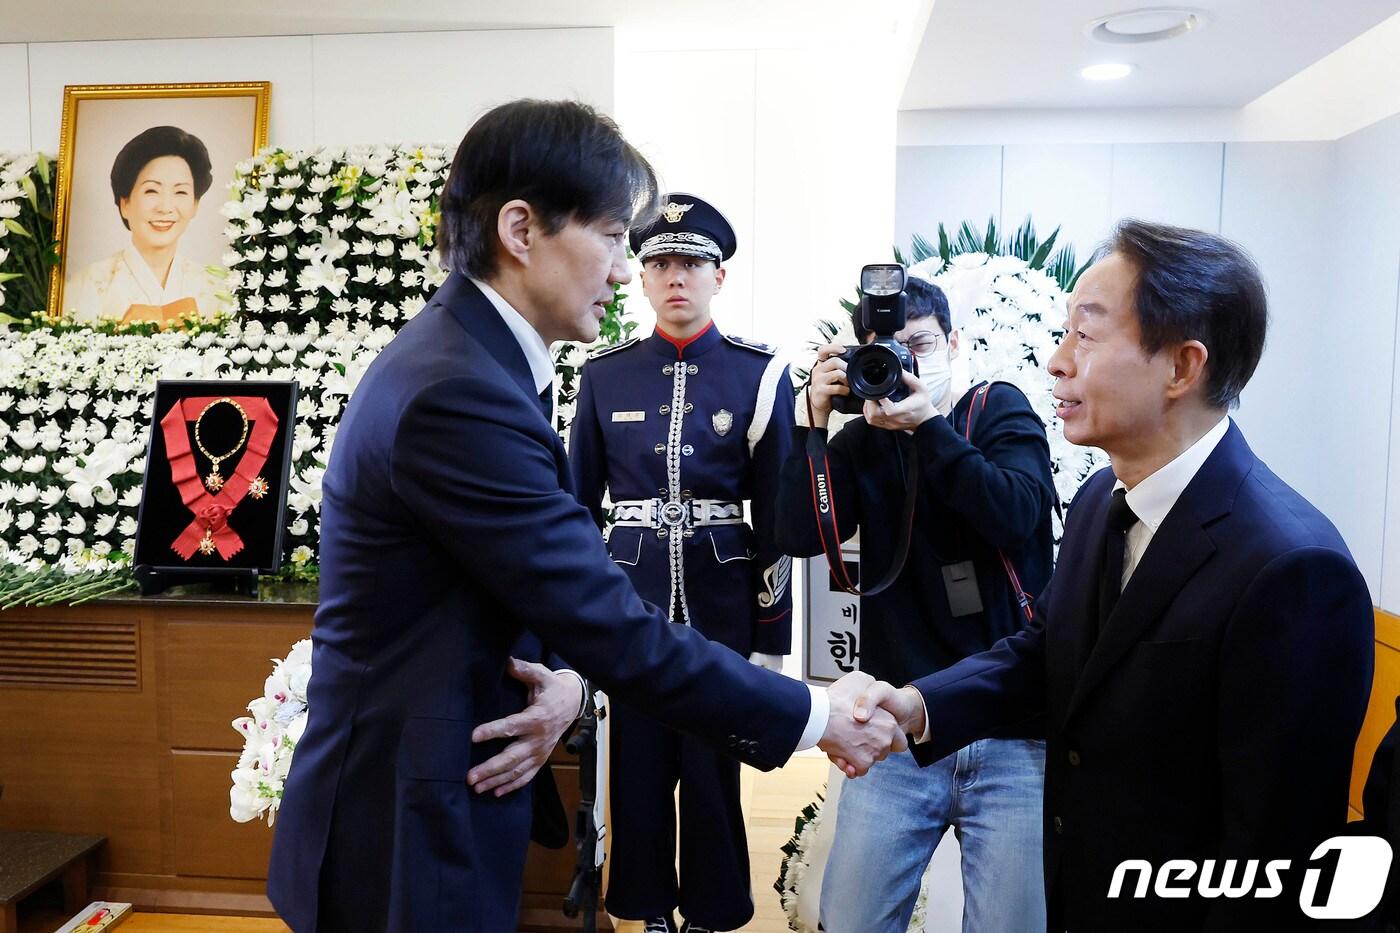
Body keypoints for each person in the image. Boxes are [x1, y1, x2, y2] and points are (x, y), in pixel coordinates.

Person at [265, 99, 904, 933]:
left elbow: (529, 575)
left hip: (448, 782)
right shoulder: (458, 391)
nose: (622, 270)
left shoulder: (475, 362)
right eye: (611, 238)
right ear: (522, 230)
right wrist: (818, 715)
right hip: (401, 819)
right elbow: (603, 611)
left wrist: (565, 677)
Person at [857, 219, 1375, 931]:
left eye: (1086, 335)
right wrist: (917, 704)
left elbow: (1274, 866)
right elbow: (1048, 652)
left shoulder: (1293, 570)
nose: (1055, 361)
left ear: (1181, 367)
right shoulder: (1105, 498)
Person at [774, 276, 1056, 932]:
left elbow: (1017, 514)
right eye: (885, 354)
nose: (902, 366)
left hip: (1009, 728)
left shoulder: (995, 409)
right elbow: (797, 534)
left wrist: (929, 428)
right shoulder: (862, 440)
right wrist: (809, 428)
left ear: (954, 343)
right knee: (853, 921)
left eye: (919, 346)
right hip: (897, 728)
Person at [569, 193, 794, 933]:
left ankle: (712, 907)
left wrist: (769, 633)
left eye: (692, 263)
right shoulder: (605, 376)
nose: (676, 277)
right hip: (627, 600)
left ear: (719, 276)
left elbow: (780, 520)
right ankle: (643, 905)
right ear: (640, 276)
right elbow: (575, 507)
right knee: (635, 766)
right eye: (660, 262)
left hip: (722, 604)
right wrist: (576, 620)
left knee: (710, 766)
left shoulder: (759, 375)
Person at [69, 125, 225, 326]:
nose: (165, 207)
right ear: (124, 203)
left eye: (180, 192)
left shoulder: (216, 288)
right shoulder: (87, 284)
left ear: (195, 205)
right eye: (151, 191)